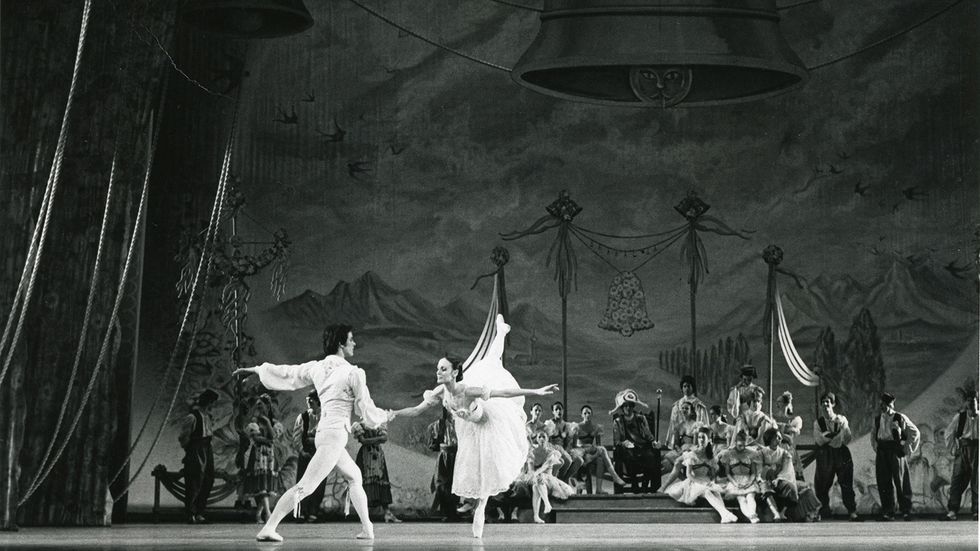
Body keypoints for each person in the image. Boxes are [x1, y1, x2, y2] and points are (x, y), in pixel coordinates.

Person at [389, 314, 558, 538]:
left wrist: (535, 391)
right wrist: (394, 413)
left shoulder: (468, 389)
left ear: (455, 372)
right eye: (438, 369)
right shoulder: (441, 391)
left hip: (486, 421)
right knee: (490, 362)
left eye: (443, 369)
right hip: (468, 429)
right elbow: (418, 409)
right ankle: (502, 331)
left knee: (492, 366)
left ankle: (480, 507)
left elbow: (504, 393)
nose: (438, 373)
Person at [233, 324, 392, 542]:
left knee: (355, 476)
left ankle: (367, 529)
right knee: (305, 486)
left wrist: (258, 370)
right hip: (334, 435)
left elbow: (288, 373)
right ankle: (269, 527)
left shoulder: (317, 367)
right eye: (351, 339)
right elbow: (365, 408)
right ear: (340, 344)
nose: (354, 343)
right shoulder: (353, 372)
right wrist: (385, 416)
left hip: (326, 434)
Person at [659, 427, 739, 524]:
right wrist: (702, 482)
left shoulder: (711, 457)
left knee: (715, 492)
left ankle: (724, 516)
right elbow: (689, 474)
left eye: (703, 438)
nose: (701, 440)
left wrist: (711, 481)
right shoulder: (692, 454)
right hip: (693, 482)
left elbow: (713, 475)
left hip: (705, 480)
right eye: (699, 437)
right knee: (706, 491)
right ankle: (725, 513)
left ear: (709, 440)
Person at [871, 392, 920, 521]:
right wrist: (877, 448)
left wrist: (905, 447)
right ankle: (888, 511)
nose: (883, 406)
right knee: (883, 482)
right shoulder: (878, 419)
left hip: (895, 451)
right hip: (882, 451)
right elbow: (873, 435)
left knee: (901, 481)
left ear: (890, 404)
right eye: (881, 403)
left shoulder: (899, 417)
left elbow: (914, 432)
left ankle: (906, 510)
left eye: (885, 404)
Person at [812, 391, 858, 521]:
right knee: (822, 484)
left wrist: (829, 436)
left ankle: (852, 511)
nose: (825, 404)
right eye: (823, 402)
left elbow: (846, 438)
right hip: (825, 455)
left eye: (828, 402)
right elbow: (819, 440)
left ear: (833, 404)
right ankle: (822, 511)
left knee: (846, 483)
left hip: (841, 454)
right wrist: (833, 436)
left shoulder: (841, 419)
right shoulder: (818, 423)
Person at [178, 388, 218, 524]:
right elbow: (184, 437)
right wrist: (189, 450)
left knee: (208, 479)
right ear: (208, 402)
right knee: (195, 479)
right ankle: (190, 512)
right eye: (212, 402)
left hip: (207, 449)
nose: (213, 405)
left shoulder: (208, 417)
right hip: (196, 449)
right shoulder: (193, 417)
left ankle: (200, 511)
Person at [611, 389, 660, 493]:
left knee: (650, 456)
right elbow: (617, 441)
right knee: (630, 457)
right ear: (622, 407)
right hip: (627, 449)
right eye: (626, 406)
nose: (628, 408)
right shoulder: (618, 421)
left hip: (642, 446)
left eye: (630, 405)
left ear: (633, 407)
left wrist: (653, 441)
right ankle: (635, 484)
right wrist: (624, 443)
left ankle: (645, 485)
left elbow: (648, 434)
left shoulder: (641, 418)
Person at [520, 430, 575, 523]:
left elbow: (546, 465)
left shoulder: (552, 452)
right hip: (536, 478)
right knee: (535, 485)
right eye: (539, 437)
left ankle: (540, 511)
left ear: (547, 439)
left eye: (543, 437)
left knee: (538, 481)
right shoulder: (532, 452)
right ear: (537, 439)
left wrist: (536, 474)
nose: (541, 439)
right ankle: (545, 506)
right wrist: (533, 475)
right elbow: (530, 469)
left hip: (549, 479)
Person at [569, 404, 626, 493]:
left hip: (591, 453)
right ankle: (615, 476)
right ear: (581, 415)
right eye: (585, 413)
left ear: (591, 414)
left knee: (600, 460)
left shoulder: (596, 427)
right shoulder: (577, 427)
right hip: (581, 452)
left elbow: (598, 444)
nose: (587, 414)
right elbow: (574, 446)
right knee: (602, 449)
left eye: (589, 412)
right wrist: (586, 449)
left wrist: (594, 454)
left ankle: (599, 489)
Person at [351, 421, 400, 523]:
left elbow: (384, 439)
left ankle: (387, 513)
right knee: (365, 481)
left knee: (381, 480)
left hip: (377, 454)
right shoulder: (359, 424)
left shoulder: (379, 421)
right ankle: (364, 515)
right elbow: (363, 441)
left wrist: (369, 440)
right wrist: (377, 439)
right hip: (366, 455)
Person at [942, 390, 978, 521]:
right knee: (957, 479)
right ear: (966, 403)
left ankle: (977, 511)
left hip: (977, 449)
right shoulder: (960, 417)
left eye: (974, 401)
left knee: (977, 480)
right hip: (963, 449)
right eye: (969, 402)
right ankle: (952, 510)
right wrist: (953, 449)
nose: (972, 405)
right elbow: (949, 432)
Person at [715, 429, 762, 523]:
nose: (742, 447)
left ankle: (753, 513)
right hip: (735, 480)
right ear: (735, 442)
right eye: (740, 445)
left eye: (744, 445)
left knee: (750, 496)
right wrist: (735, 483)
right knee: (741, 499)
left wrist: (749, 483)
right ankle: (751, 517)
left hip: (748, 479)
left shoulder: (751, 454)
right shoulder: (729, 454)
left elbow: (753, 472)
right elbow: (728, 473)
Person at [292, 390, 324, 522]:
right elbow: (296, 436)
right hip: (306, 453)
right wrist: (301, 450)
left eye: (311, 399)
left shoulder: (325, 416)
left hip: (320, 453)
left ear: (318, 400)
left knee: (319, 482)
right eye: (308, 399)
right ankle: (301, 510)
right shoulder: (303, 417)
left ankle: (313, 510)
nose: (309, 401)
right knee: (302, 482)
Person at [429, 407, 461, 521]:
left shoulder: (462, 422)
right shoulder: (440, 424)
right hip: (444, 456)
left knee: (456, 483)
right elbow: (433, 445)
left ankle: (453, 512)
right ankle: (446, 512)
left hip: (458, 455)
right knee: (441, 484)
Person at [759, 428, 797, 522]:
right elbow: (759, 469)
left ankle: (782, 512)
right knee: (765, 486)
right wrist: (767, 472)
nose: (780, 440)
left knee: (789, 486)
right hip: (764, 479)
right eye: (777, 437)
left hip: (779, 479)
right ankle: (775, 513)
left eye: (780, 438)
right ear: (770, 439)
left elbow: (787, 469)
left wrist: (778, 479)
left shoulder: (784, 453)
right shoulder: (762, 453)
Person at [665, 375, 710, 449]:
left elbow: (704, 425)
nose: (686, 388)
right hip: (679, 441)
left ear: (693, 388)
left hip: (694, 441)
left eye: (688, 386)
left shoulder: (699, 406)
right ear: (682, 388)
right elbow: (672, 425)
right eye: (684, 386)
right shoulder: (676, 406)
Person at [544, 401, 582, 482]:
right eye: (556, 409)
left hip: (563, 450)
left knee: (579, 460)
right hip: (552, 449)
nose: (558, 411)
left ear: (563, 410)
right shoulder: (550, 424)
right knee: (567, 460)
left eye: (560, 409)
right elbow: (547, 441)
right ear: (553, 412)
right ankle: (560, 480)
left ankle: (565, 478)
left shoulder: (566, 425)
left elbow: (566, 443)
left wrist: (574, 434)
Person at [774, 391, 804, 478]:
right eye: (777, 402)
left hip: (787, 447)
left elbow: (793, 434)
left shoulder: (794, 419)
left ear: (786, 403)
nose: (778, 404)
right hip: (776, 447)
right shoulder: (774, 417)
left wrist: (784, 429)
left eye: (780, 402)